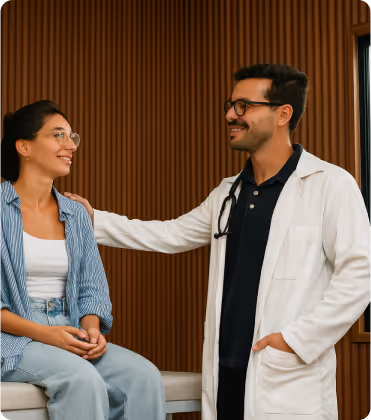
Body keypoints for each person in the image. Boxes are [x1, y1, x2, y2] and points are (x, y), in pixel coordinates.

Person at [66, 64, 371, 420]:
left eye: (244, 106)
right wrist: (94, 220)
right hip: (225, 367)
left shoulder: (329, 184)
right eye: (231, 104)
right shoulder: (229, 191)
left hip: (284, 370)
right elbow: (172, 234)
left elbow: (359, 275)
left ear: (282, 114)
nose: (230, 114)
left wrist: (296, 340)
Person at [0, 100, 166, 420]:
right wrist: (46, 333)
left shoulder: (76, 214)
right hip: (11, 338)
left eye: (71, 136)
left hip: (70, 329)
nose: (70, 145)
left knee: (144, 377)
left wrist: (91, 331)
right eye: (58, 135)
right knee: (81, 378)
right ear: (25, 147)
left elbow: (92, 288)